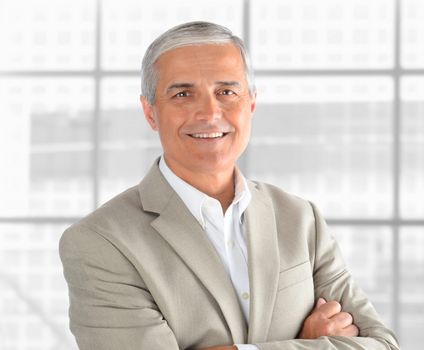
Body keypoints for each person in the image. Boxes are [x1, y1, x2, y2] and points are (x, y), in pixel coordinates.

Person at [59, 21, 399, 350]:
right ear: (150, 112)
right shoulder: (100, 242)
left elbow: (382, 345)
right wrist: (306, 342)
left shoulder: (300, 219)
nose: (209, 112)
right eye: (182, 93)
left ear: (250, 104)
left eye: (226, 91)